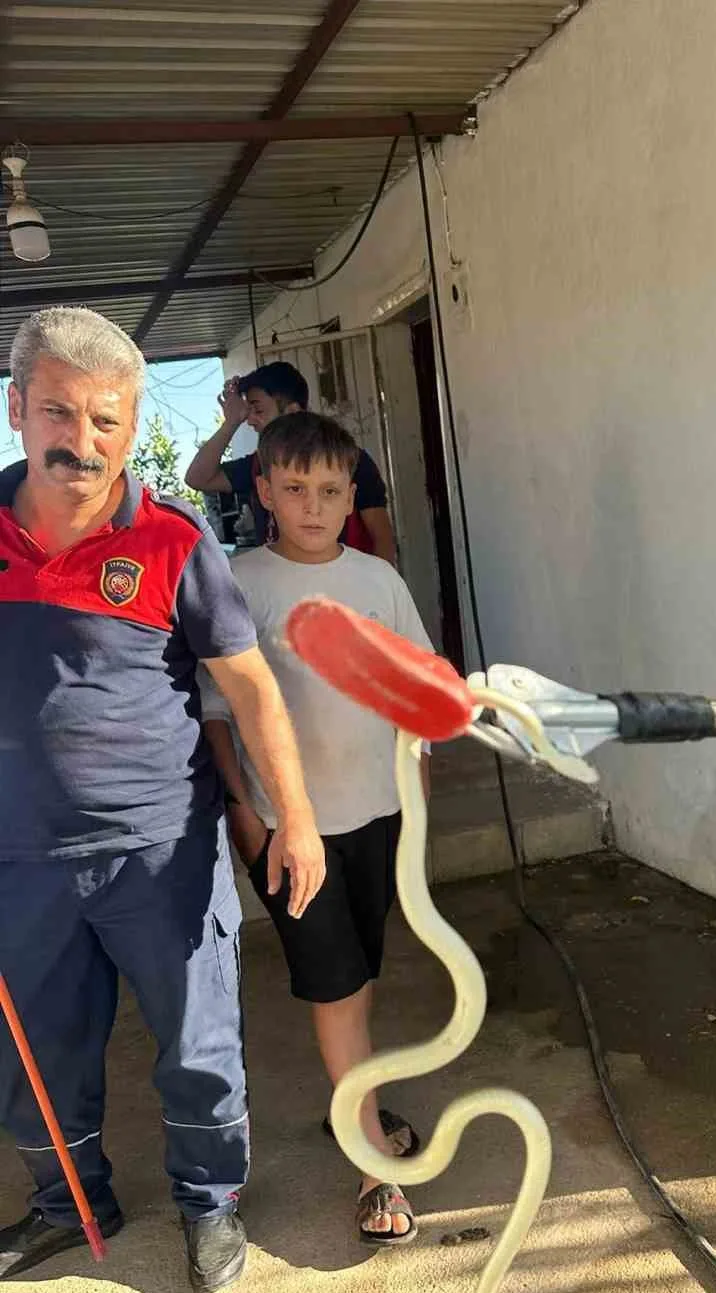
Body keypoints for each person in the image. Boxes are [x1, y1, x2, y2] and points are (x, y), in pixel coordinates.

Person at [0, 308, 326, 1293]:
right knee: (39, 1059)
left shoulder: (175, 541)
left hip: (163, 852)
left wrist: (293, 818)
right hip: (21, 861)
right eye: (61, 412)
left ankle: (209, 1204)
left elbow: (254, 686)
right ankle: (70, 1204)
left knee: (199, 1046)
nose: (83, 441)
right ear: (19, 411)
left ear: (134, 428)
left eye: (108, 421)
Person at [201, 411, 434, 1246]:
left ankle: (359, 1105)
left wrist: (418, 804)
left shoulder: (379, 583)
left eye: (330, 490)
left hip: (377, 815)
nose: (312, 506)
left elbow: (415, 691)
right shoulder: (237, 581)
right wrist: (245, 814)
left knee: (359, 975)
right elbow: (219, 715)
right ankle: (377, 1170)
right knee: (335, 987)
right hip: (294, 835)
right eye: (294, 488)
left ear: (351, 496)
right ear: (262, 490)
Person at [185, 360, 396, 563]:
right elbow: (198, 478)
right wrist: (230, 423)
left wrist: (377, 589)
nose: (250, 420)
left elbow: (382, 537)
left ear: (292, 411)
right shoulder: (259, 465)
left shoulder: (348, 461)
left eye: (258, 411)